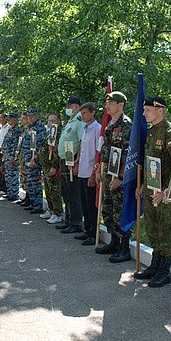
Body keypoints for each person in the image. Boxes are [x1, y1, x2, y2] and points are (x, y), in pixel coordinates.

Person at [134, 97, 171, 287]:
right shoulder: (151, 132)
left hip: (165, 192)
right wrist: (144, 185)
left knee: (165, 229)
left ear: (160, 110)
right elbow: (150, 162)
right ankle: (155, 264)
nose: (144, 113)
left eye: (147, 110)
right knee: (153, 228)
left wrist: (167, 190)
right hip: (151, 188)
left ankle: (164, 270)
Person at [95, 91, 132, 261]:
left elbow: (128, 154)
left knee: (119, 211)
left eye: (111, 103)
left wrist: (121, 177)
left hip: (119, 177)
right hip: (109, 173)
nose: (107, 106)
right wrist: (100, 171)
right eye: (107, 102)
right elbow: (106, 151)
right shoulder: (110, 125)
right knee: (108, 209)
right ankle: (114, 242)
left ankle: (124, 248)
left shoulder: (126, 125)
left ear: (120, 105)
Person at [73, 102, 101, 246]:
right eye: (81, 113)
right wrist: (77, 163)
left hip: (91, 171)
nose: (82, 116)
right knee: (84, 202)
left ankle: (93, 233)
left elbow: (98, 153)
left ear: (92, 113)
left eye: (85, 113)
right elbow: (82, 149)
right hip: (82, 170)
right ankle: (87, 229)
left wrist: (93, 174)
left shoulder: (98, 129)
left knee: (91, 205)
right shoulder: (84, 129)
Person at [57, 97, 85, 233]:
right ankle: (68, 219)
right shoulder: (71, 121)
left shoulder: (79, 121)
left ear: (75, 106)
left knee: (73, 193)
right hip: (65, 159)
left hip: (72, 160)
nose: (67, 108)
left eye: (68, 106)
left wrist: (77, 161)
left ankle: (76, 222)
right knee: (66, 192)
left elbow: (81, 142)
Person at [39, 114, 64, 223]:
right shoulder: (49, 132)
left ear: (59, 121)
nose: (51, 122)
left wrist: (54, 166)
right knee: (48, 190)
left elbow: (57, 152)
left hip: (52, 167)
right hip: (45, 166)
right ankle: (51, 209)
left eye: (53, 120)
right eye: (49, 120)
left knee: (54, 190)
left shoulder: (58, 134)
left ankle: (57, 213)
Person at [22, 108, 47, 214]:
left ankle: (38, 205)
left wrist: (35, 158)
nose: (30, 118)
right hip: (27, 158)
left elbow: (40, 144)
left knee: (35, 182)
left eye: (32, 116)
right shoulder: (29, 127)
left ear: (37, 116)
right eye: (28, 116)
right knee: (30, 183)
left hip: (34, 160)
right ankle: (33, 203)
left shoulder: (40, 127)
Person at [1, 113, 22, 201]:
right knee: (8, 175)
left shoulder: (17, 130)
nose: (8, 121)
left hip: (12, 157)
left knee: (13, 175)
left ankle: (14, 193)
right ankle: (10, 192)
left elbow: (16, 145)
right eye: (8, 119)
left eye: (10, 119)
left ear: (15, 119)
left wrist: (14, 156)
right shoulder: (10, 129)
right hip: (7, 156)